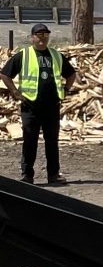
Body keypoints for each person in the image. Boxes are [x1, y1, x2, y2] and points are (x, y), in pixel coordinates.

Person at [0, 23, 77, 185]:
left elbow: (71, 74)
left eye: (45, 35)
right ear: (32, 37)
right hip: (30, 106)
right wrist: (15, 92)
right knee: (30, 140)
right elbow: (5, 74)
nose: (42, 38)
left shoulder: (56, 55)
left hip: (51, 106)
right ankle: (27, 175)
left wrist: (66, 89)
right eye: (38, 35)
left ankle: (53, 174)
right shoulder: (24, 55)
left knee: (52, 141)